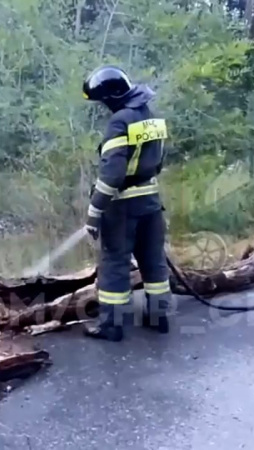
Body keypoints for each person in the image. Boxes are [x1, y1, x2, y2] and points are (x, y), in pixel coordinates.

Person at [81, 64, 172, 342]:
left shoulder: (119, 122)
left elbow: (112, 174)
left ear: (110, 97)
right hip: (151, 203)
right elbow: (158, 162)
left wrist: (95, 212)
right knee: (153, 260)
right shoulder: (151, 118)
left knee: (115, 263)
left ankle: (111, 325)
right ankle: (158, 317)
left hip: (122, 208)